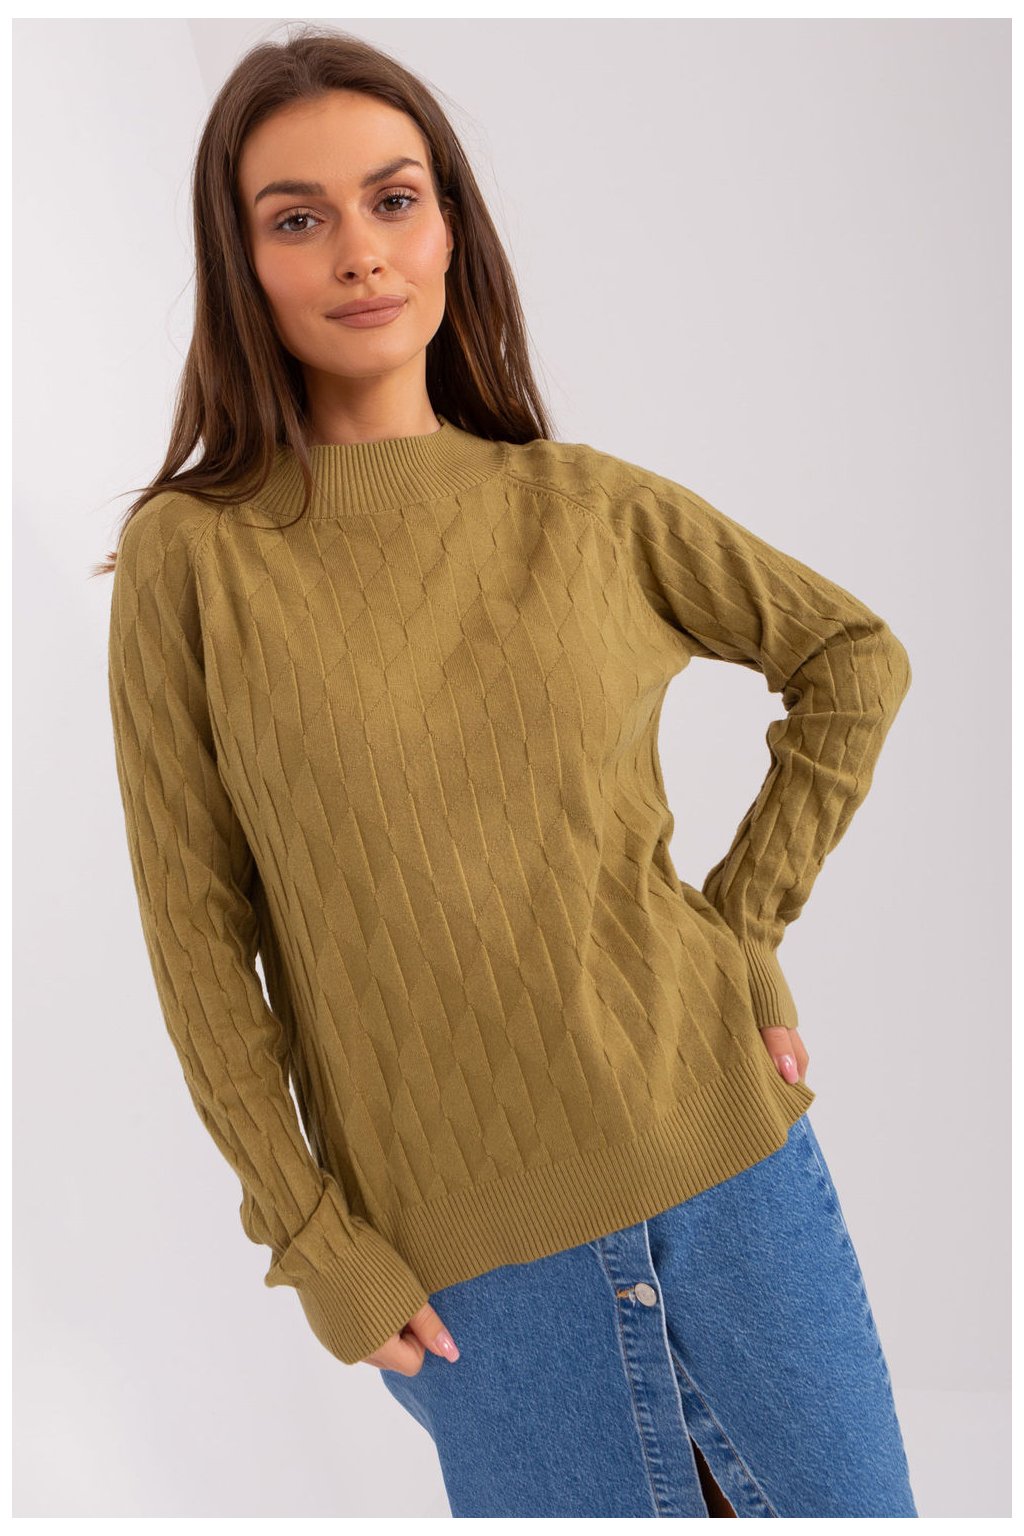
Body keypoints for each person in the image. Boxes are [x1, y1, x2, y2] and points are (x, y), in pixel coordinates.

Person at [99, 25, 919, 1519]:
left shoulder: (586, 509)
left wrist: (739, 932)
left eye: (393, 199)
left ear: (450, 228)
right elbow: (198, 930)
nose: (360, 250)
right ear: (242, 262)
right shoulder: (192, 558)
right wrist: (310, 1237)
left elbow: (853, 657)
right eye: (299, 217)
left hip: (731, 1175)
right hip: (476, 1273)